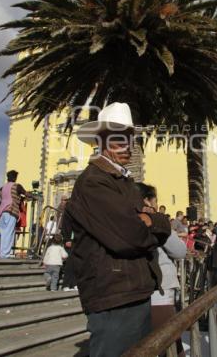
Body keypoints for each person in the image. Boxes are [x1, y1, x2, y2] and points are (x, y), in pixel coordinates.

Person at [66, 102, 171, 357]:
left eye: (129, 138)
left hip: (130, 289)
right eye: (118, 139)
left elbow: (155, 223)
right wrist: (150, 221)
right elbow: (130, 235)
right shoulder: (94, 182)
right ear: (101, 141)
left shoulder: (121, 181)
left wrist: (154, 220)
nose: (127, 146)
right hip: (114, 293)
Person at [136, 182, 186, 357]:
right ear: (148, 201)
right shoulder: (157, 221)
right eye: (155, 200)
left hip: (134, 288)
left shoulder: (122, 220)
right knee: (169, 341)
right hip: (161, 287)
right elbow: (180, 251)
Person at [0, 170, 28, 259]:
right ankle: (5, 256)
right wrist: (30, 195)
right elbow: (26, 193)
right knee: (9, 233)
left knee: (4, 234)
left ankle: (2, 254)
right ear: (14, 177)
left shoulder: (2, 188)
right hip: (11, 212)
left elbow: (3, 196)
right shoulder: (17, 186)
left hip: (2, 212)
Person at [61, 209, 77, 291]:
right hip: (69, 240)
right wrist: (67, 239)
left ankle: (74, 283)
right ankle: (66, 285)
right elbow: (65, 227)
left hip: (76, 241)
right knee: (69, 263)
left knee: (76, 263)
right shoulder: (68, 213)